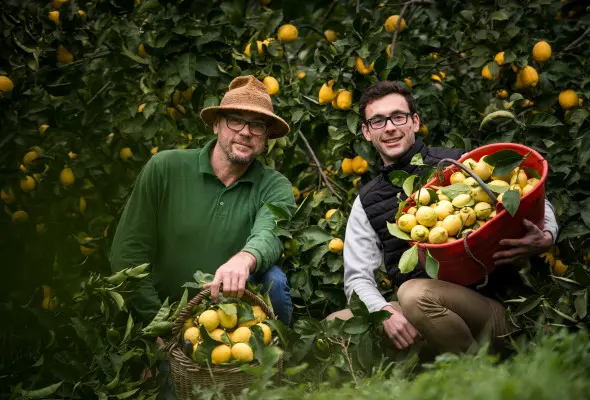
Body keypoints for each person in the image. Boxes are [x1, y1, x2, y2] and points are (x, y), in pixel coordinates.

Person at [328, 81, 559, 354]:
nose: (389, 127)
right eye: (377, 121)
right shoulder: (367, 201)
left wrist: (546, 236)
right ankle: (426, 366)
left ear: (414, 122)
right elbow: (357, 280)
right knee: (334, 324)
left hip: (490, 310)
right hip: (426, 314)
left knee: (413, 294)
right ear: (366, 132)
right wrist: (384, 311)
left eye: (397, 117)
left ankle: (475, 375)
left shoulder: (458, 165)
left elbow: (531, 195)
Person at [109, 75, 296, 327]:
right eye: (235, 120)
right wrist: (159, 326)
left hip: (228, 326)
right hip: (162, 319)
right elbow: (128, 254)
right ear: (216, 125)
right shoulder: (165, 168)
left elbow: (271, 232)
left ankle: (271, 357)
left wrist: (245, 258)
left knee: (274, 279)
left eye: (257, 125)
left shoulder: (275, 185)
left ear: (266, 139)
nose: (245, 132)